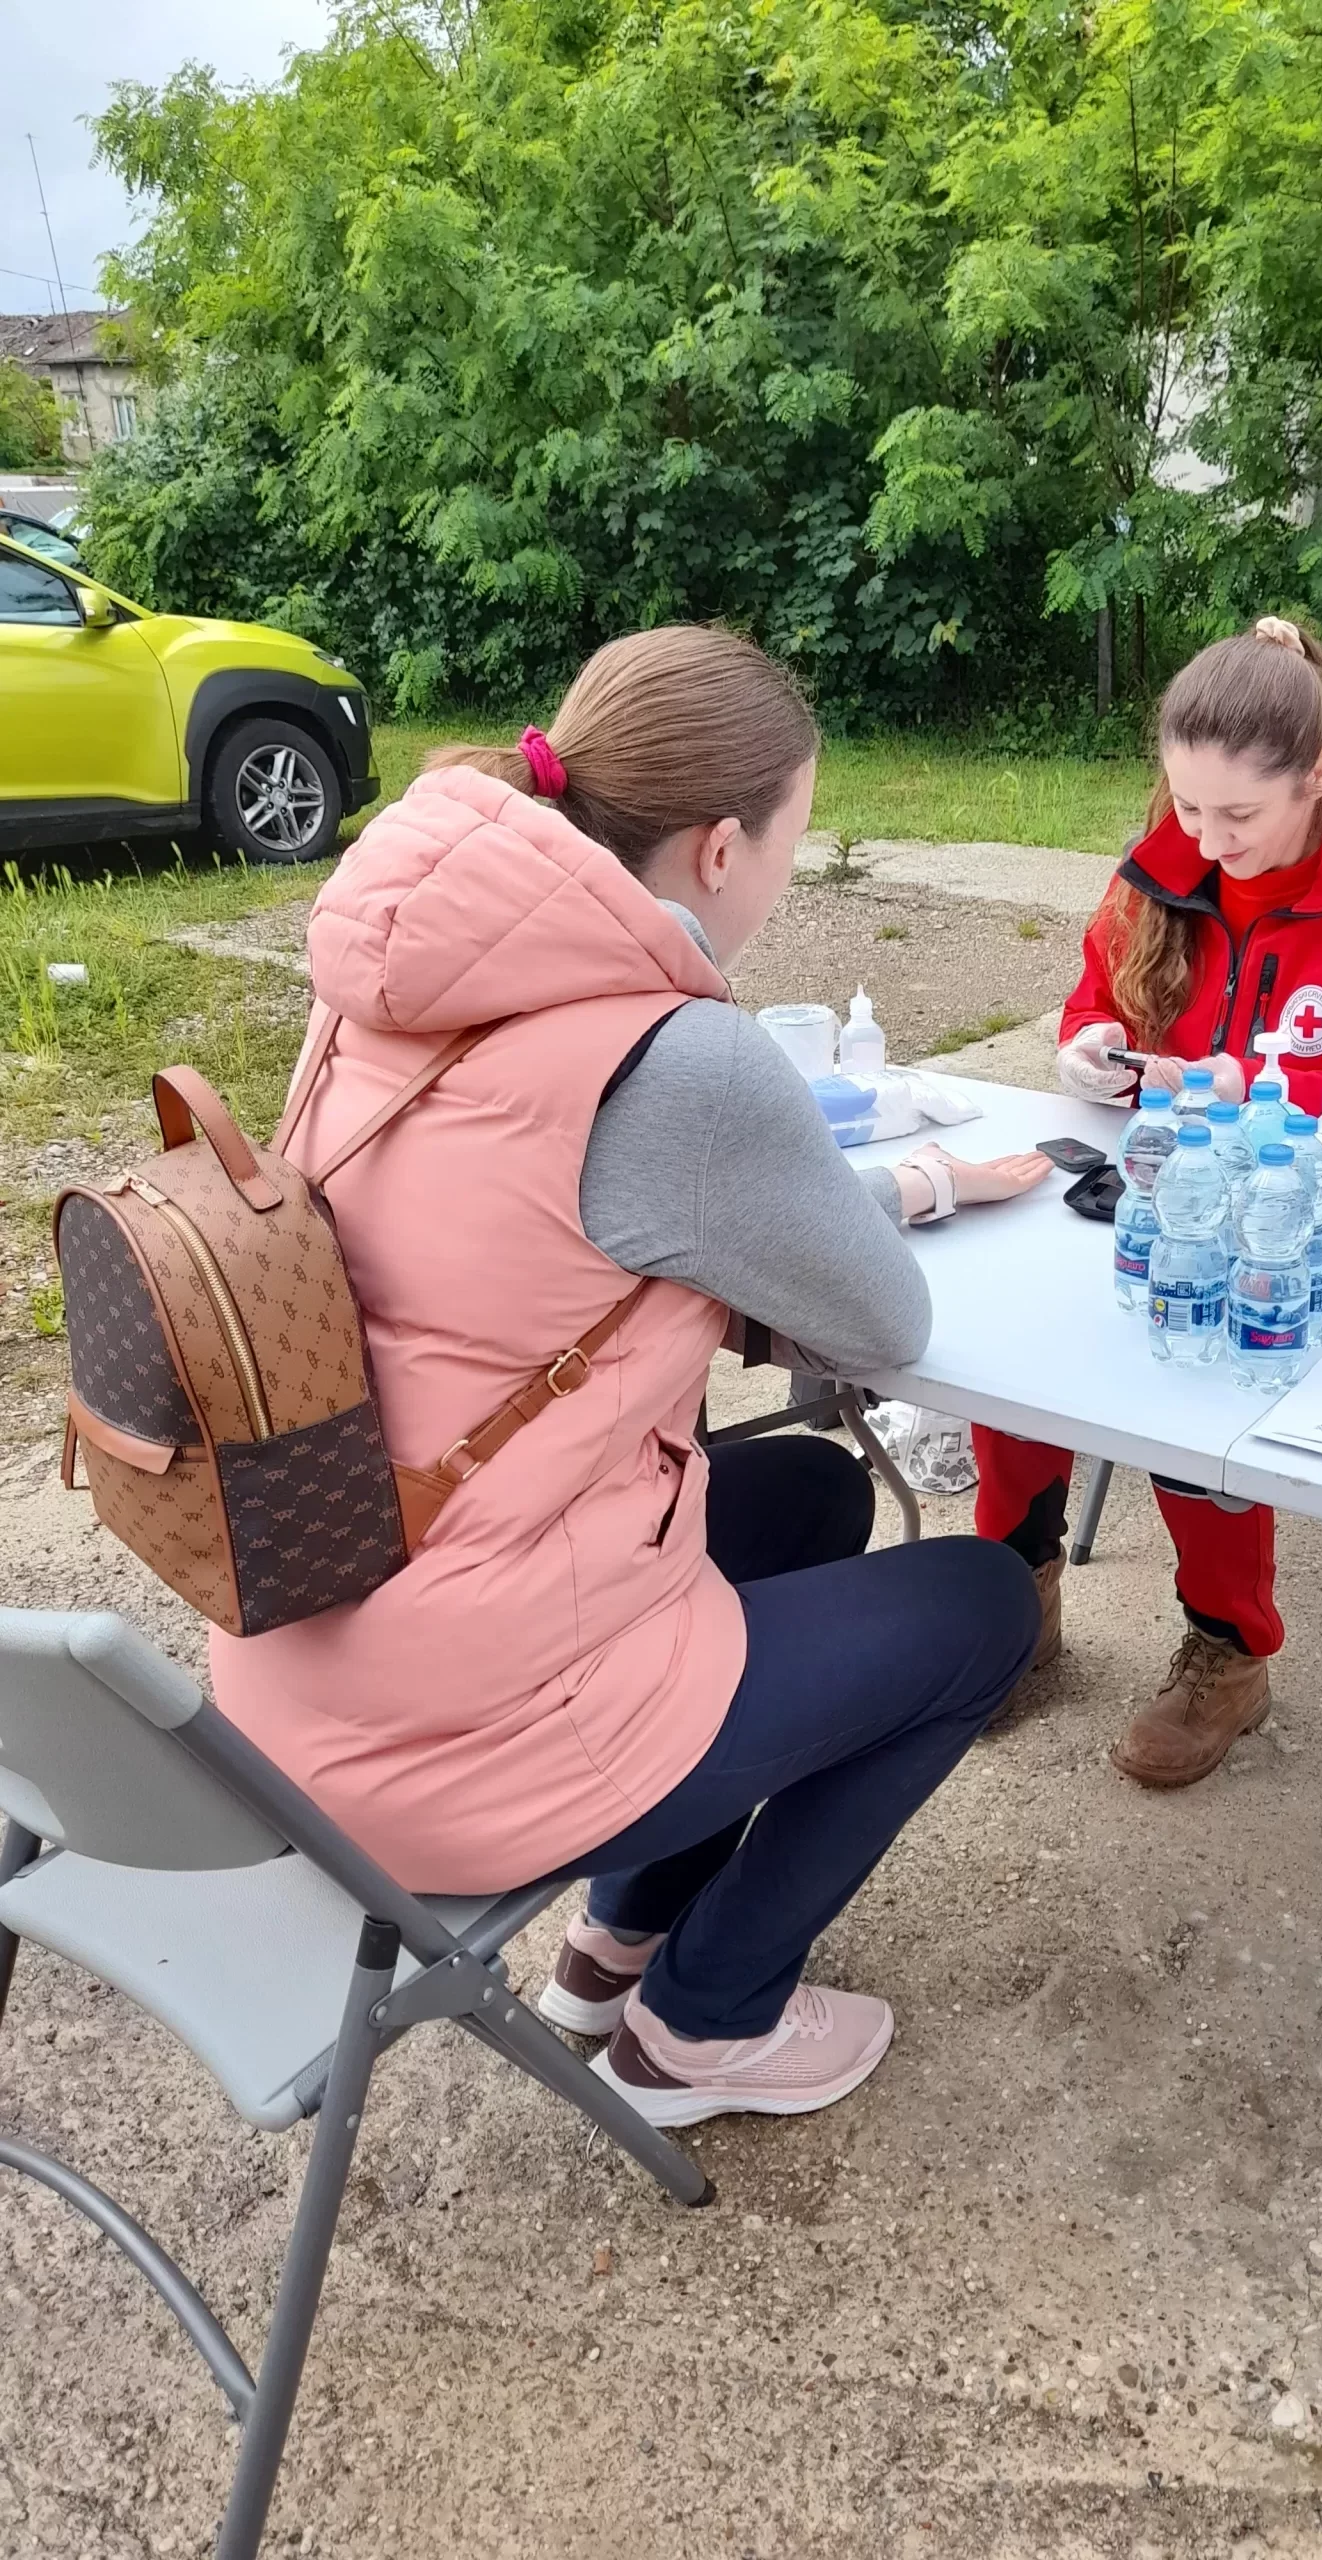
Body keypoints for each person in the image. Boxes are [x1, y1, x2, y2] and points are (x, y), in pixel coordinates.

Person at [208, 626, 1053, 2129]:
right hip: (457, 1742)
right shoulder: (675, 1053)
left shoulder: (388, 988)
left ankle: (618, 1940)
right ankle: (702, 2026)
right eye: (794, 840)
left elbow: (549, 1240)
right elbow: (881, 1325)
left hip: (312, 1639)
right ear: (722, 848)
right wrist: (915, 1197)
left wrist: (910, 1184)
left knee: (808, 1490)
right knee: (983, 1606)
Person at [972, 616, 1322, 1788]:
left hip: (1307, 1231)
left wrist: (1254, 1084)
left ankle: (1229, 1650)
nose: (1208, 842)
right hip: (1149, 1191)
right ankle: (1011, 1604)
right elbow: (1095, 1003)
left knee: (1196, 1401)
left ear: (1319, 774)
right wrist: (1087, 1046)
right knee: (1015, 1370)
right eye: (1188, 806)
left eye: (1238, 816)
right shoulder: (1162, 864)